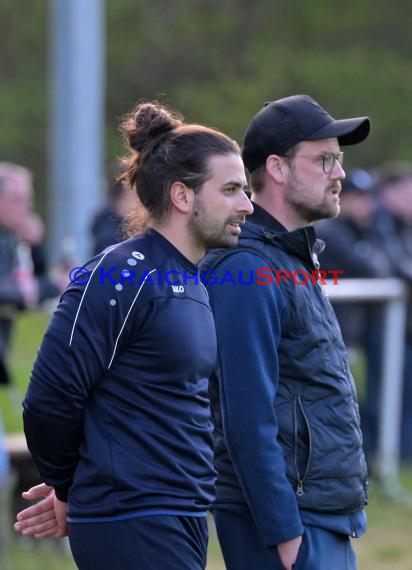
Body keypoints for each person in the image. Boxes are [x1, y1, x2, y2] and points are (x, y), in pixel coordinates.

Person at [13, 101, 253, 570]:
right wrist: (68, 486)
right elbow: (49, 398)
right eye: (231, 190)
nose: (246, 204)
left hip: (180, 514)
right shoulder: (121, 274)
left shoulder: (190, 278)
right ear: (183, 197)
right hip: (133, 519)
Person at [200, 95, 371, 570]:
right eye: (324, 160)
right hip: (288, 526)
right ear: (276, 168)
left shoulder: (288, 256)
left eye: (337, 160)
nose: (338, 174)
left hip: (318, 517)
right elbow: (244, 416)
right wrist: (283, 531)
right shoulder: (249, 268)